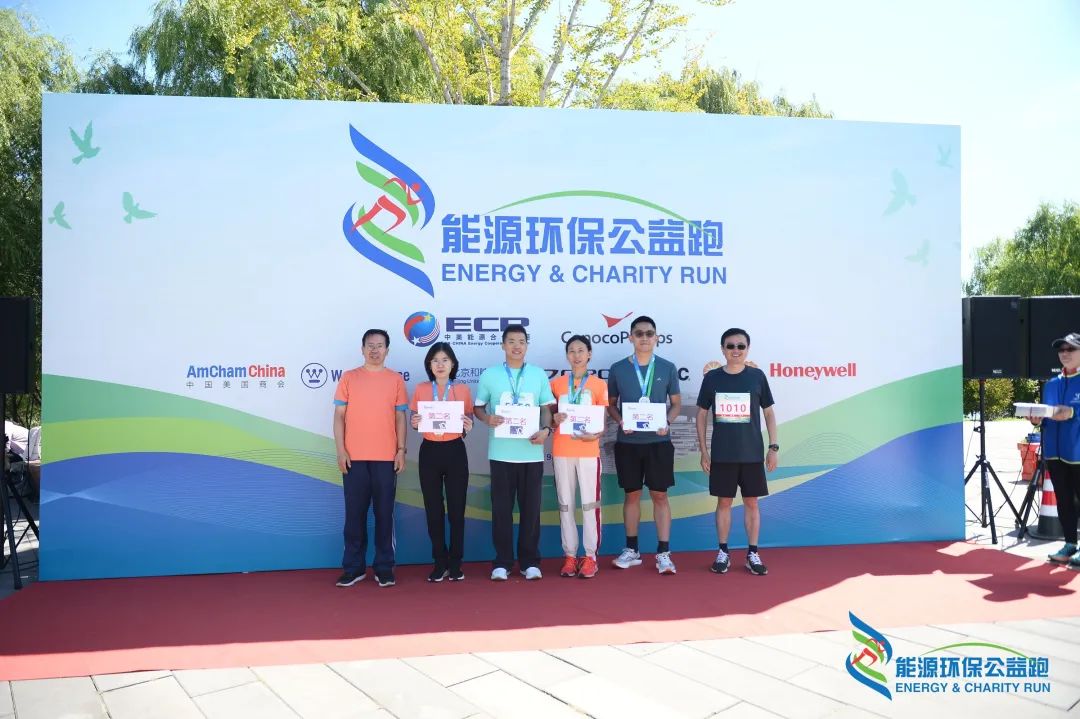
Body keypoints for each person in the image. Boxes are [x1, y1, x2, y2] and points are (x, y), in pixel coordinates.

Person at [474, 324, 555, 581]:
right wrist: (487, 418)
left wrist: (546, 430)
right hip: (501, 454)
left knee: (531, 510)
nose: (516, 346)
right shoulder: (490, 375)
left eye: (521, 341)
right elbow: (478, 408)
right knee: (501, 510)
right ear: (503, 345)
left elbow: (546, 408)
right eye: (511, 341)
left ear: (527, 345)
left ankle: (530, 561)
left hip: (531, 453)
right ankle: (502, 562)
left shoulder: (538, 375)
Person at [696, 328, 777, 576]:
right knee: (724, 503)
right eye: (730, 346)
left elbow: (769, 413)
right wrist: (704, 451)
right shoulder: (712, 378)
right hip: (722, 455)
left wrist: (773, 447)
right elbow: (701, 415)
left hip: (752, 454)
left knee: (752, 503)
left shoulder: (757, 376)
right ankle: (723, 552)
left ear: (747, 349)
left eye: (741, 346)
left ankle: (753, 553)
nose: (736, 350)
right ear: (723, 349)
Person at [606, 315, 682, 575]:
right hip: (628, 442)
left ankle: (663, 553)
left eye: (649, 333)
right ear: (630, 337)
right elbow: (611, 405)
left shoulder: (667, 367)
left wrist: (667, 422)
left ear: (657, 338)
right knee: (632, 495)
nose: (645, 338)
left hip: (658, 442)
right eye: (639, 333)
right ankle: (632, 550)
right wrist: (621, 420)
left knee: (660, 496)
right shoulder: (618, 368)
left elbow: (676, 404)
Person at [333, 329, 408, 588]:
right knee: (354, 516)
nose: (375, 350)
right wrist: (341, 450)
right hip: (353, 458)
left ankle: (384, 567)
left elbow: (400, 417)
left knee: (385, 515)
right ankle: (353, 568)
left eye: (380, 345)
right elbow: (339, 416)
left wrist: (401, 450)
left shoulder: (395, 380)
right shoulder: (349, 378)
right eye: (370, 345)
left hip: (386, 458)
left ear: (387, 350)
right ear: (362, 349)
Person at [409, 342, 474, 582]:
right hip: (429, 451)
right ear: (429, 364)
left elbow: (467, 420)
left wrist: (468, 426)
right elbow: (414, 419)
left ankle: (456, 563)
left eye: (445, 360)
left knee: (457, 511)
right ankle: (439, 562)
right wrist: (414, 422)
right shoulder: (421, 388)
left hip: (455, 451)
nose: (440, 364)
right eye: (435, 360)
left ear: (453, 364)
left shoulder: (463, 390)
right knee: (433, 510)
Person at [549, 335, 609, 578]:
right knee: (565, 505)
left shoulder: (598, 385)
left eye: (581, 350)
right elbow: (548, 419)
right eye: (572, 351)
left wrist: (595, 434)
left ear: (589, 354)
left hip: (588, 451)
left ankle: (590, 556)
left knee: (590, 505)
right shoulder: (556, 384)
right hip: (562, 451)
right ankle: (570, 555)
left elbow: (602, 423)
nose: (576, 355)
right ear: (567, 355)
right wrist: (553, 419)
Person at [1030, 332, 1080, 568]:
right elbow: (1047, 416)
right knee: (1064, 502)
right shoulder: (1051, 384)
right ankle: (1070, 544)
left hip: (1077, 453)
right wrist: (1036, 419)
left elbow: (1070, 413)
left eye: (1071, 349)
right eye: (1061, 350)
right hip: (1054, 453)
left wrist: (1072, 412)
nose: (1065, 353)